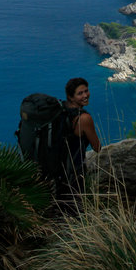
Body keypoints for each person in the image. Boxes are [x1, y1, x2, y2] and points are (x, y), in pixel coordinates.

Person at [58, 77, 100, 214]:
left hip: (56, 168)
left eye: (86, 91)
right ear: (71, 97)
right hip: (74, 172)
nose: (85, 95)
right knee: (74, 211)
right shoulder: (84, 118)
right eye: (80, 93)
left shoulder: (61, 110)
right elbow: (97, 147)